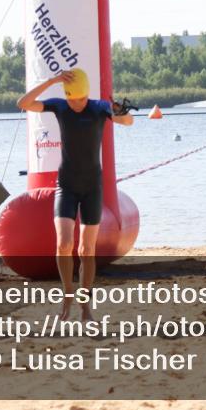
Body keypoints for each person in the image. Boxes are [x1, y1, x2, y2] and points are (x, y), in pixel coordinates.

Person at [16, 68, 134, 321]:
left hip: (92, 187)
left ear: (86, 95)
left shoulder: (99, 107)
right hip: (66, 185)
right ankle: (67, 294)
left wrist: (119, 111)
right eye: (71, 99)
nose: (75, 104)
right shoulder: (60, 107)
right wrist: (53, 81)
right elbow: (23, 103)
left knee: (86, 249)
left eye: (79, 100)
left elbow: (128, 122)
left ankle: (85, 304)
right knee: (63, 244)